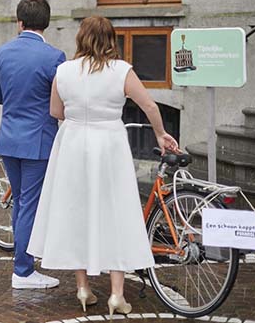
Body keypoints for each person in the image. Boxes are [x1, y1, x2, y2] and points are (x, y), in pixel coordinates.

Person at [27, 16, 179, 316]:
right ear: (112, 39)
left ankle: (83, 288)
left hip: (71, 143)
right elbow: (150, 105)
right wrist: (161, 134)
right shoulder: (121, 71)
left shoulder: (64, 70)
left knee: (75, 210)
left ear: (80, 38)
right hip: (109, 143)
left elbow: (55, 110)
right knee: (116, 211)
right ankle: (116, 295)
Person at [0, 0, 66, 289]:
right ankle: (22, 270)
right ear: (46, 24)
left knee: (21, 201)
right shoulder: (54, 57)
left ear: (19, 23)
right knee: (29, 204)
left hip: (9, 139)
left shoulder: (1, 52)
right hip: (39, 141)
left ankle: (24, 264)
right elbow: (61, 99)